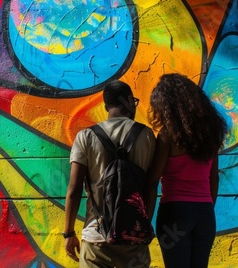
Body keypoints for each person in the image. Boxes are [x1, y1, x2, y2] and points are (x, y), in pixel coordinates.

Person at [64, 80, 156, 267]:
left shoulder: (86, 136)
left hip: (96, 238)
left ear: (106, 105)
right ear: (127, 100)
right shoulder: (147, 135)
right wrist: (143, 226)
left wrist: (69, 233)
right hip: (134, 240)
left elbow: (74, 190)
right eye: (133, 101)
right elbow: (151, 186)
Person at [144, 73, 227, 268]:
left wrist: (146, 219)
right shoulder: (211, 134)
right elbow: (213, 179)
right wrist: (205, 209)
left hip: (175, 211)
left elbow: (152, 182)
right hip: (205, 212)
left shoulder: (167, 136)